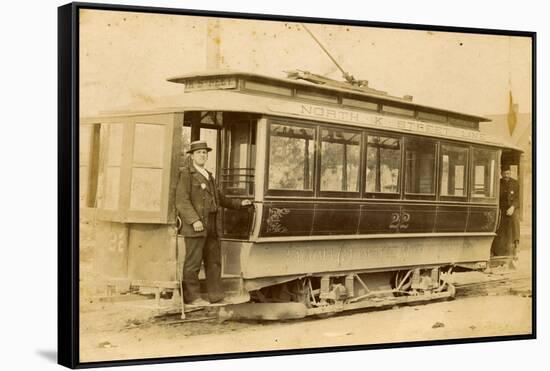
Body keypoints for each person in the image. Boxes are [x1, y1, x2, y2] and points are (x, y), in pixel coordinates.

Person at [175, 140, 252, 306]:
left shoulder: (208, 175)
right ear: (192, 156)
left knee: (214, 261)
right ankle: (192, 297)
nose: (202, 155)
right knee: (193, 262)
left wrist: (239, 204)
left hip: (211, 224)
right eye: (199, 152)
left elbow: (220, 198)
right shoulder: (187, 174)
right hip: (195, 225)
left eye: (204, 152)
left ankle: (216, 296)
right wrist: (194, 220)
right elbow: (181, 201)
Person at [491, 166, 520, 268]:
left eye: (508, 174)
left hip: (512, 211)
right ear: (501, 173)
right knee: (500, 232)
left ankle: (512, 256)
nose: (506, 176)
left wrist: (512, 207)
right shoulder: (498, 183)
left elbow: (518, 198)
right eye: (504, 174)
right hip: (501, 211)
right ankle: (498, 256)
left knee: (513, 231)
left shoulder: (515, 183)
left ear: (510, 173)